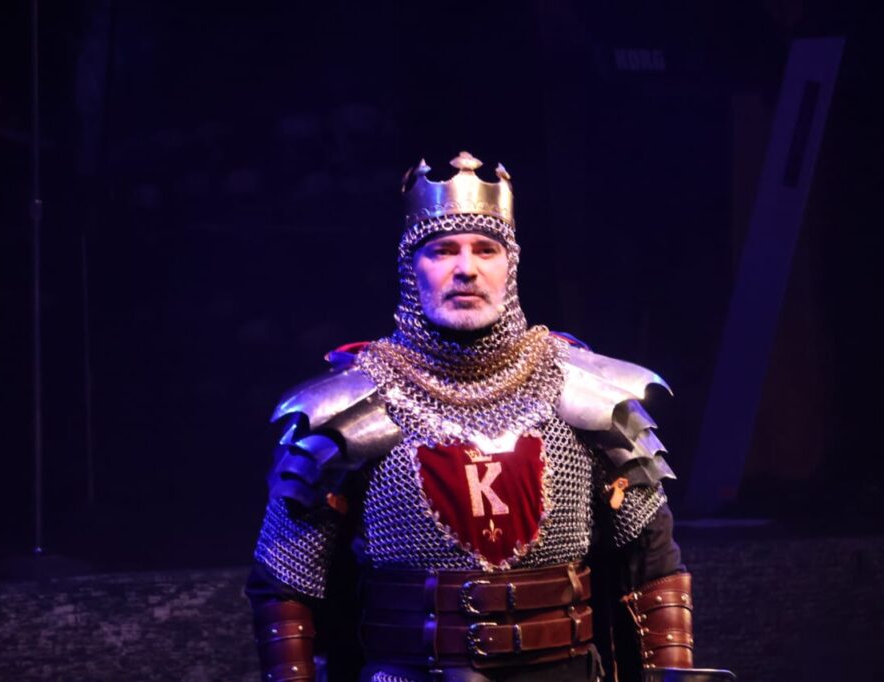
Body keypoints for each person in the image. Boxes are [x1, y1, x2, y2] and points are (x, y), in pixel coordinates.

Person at [246, 152, 696, 681]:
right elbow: (286, 584)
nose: (466, 268)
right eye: (443, 250)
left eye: (486, 249)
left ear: (511, 265)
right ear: (411, 266)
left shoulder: (588, 393)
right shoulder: (347, 407)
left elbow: (653, 566)